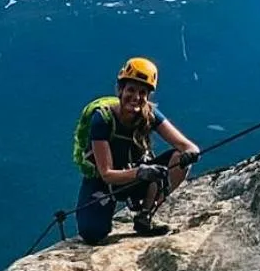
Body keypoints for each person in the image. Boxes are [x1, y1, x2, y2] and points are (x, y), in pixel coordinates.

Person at [72, 57, 200, 244]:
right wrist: (141, 172)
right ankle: (129, 206)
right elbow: (106, 174)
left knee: (180, 159)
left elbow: (188, 147)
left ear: (148, 96)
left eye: (142, 92)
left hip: (139, 176)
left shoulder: (150, 115)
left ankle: (144, 216)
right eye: (131, 90)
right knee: (92, 233)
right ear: (120, 90)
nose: (136, 97)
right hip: (104, 183)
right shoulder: (102, 120)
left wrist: (189, 155)